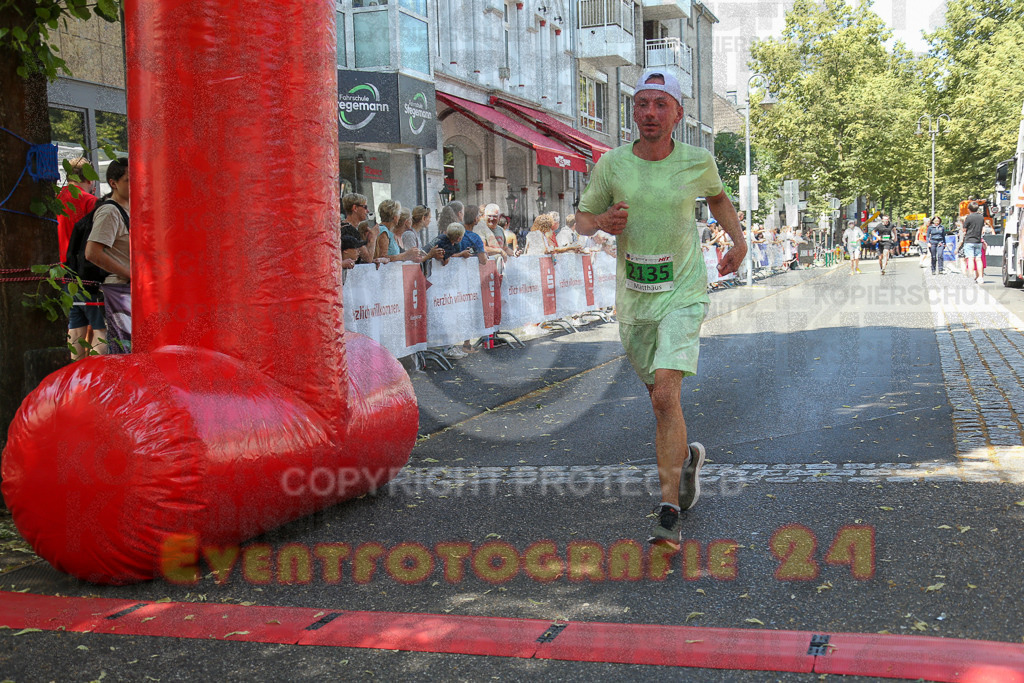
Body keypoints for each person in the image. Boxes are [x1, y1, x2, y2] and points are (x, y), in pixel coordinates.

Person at [574, 68, 746, 545]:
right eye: (642, 104)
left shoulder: (697, 161)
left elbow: (718, 200)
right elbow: (583, 221)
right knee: (658, 399)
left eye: (659, 105)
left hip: (683, 292)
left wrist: (739, 241)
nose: (649, 113)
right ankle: (687, 461)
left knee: (667, 395)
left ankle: (668, 507)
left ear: (678, 115)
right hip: (635, 300)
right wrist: (602, 221)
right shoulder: (612, 165)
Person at [83, 157, 130, 356]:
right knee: (121, 349)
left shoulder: (130, 209)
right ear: (113, 183)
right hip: (119, 290)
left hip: (129, 290)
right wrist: (130, 273)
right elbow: (92, 252)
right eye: (129, 180)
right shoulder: (110, 212)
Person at [57, 157, 102, 360]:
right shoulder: (89, 201)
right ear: (90, 178)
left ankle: (73, 372)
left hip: (61, 270)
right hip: (85, 270)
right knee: (99, 325)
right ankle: (93, 375)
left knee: (75, 325)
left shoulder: (58, 198)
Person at [341, 193, 374, 264]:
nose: (367, 211)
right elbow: (368, 258)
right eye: (365, 207)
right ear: (355, 208)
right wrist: (373, 236)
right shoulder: (348, 229)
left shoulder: (346, 227)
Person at [961, 202, 985, 283]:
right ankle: (981, 277)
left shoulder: (969, 217)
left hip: (969, 240)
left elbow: (964, 229)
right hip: (978, 240)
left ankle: (971, 277)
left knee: (970, 259)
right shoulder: (981, 217)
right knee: (978, 259)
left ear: (968, 209)